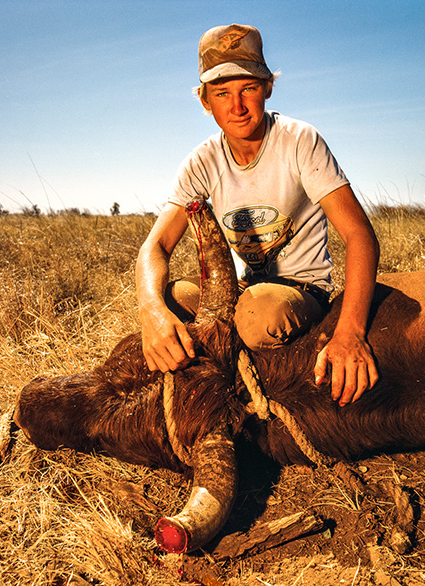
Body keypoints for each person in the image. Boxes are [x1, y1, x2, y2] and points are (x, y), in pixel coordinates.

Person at [136, 23, 380, 405]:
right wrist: (152, 312)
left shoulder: (300, 140)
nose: (237, 106)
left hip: (299, 292)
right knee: (173, 297)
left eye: (248, 88)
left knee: (257, 317)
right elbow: (155, 247)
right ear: (204, 100)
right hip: (243, 290)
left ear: (267, 87)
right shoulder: (202, 161)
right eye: (222, 93)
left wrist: (350, 331)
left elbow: (360, 235)